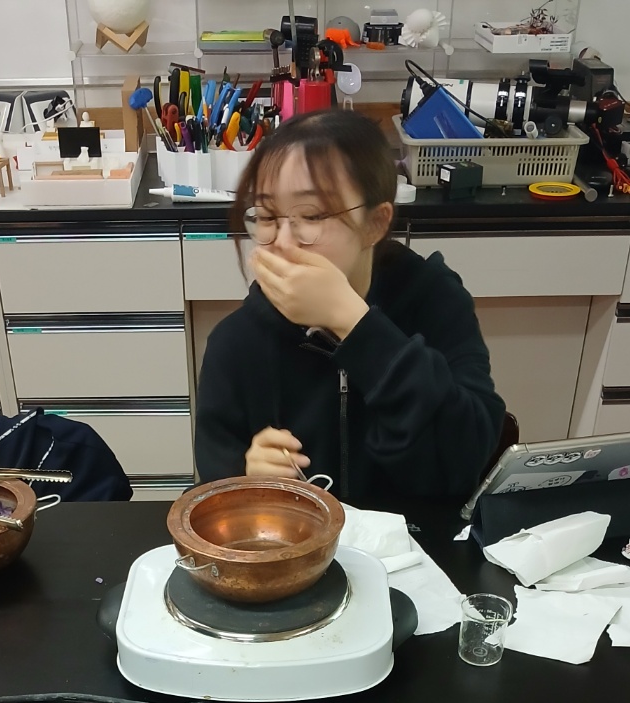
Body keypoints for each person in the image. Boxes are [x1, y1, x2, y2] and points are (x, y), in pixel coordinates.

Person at [194, 109, 506, 509]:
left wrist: (354, 324)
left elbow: (464, 462)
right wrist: (249, 480)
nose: (282, 242)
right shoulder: (236, 342)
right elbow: (215, 497)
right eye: (267, 216)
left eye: (310, 216)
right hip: (299, 544)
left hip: (421, 540)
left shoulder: (435, 301)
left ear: (375, 224)